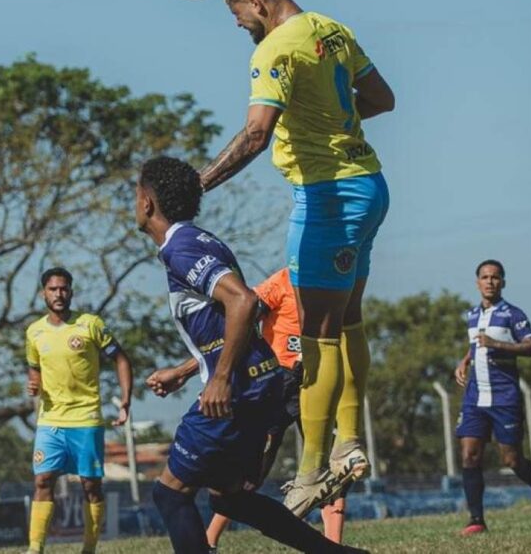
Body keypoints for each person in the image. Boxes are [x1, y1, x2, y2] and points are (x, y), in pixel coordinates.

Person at [197, 0, 395, 518]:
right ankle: (349, 441)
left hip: (327, 198)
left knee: (317, 336)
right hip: (370, 185)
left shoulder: (273, 49)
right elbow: (382, 99)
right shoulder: (332, 28)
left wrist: (199, 184)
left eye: (238, 15)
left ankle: (310, 472)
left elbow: (256, 133)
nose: (239, 26)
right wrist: (329, 122)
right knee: (349, 318)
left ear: (257, 3)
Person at [137, 156, 368, 554]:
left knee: (171, 495)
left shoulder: (182, 248)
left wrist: (220, 378)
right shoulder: (204, 240)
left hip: (237, 390)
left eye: (135, 193)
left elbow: (244, 302)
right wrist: (190, 368)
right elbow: (246, 310)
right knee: (230, 498)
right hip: (260, 381)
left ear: (147, 203)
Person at [205, 268, 350, 550]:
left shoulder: (335, 282)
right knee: (255, 462)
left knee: (331, 463)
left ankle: (335, 545)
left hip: (318, 380)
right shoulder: (281, 280)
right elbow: (246, 311)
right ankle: (209, 538)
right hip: (280, 380)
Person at [25, 267, 133, 554]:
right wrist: (34, 383)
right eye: (53, 289)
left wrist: (125, 402)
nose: (59, 294)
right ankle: (35, 549)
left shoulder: (90, 325)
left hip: (86, 419)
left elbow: (121, 359)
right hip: (50, 421)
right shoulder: (34, 332)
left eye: (64, 289)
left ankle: (88, 547)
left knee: (90, 486)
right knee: (42, 479)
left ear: (71, 292)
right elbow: (34, 368)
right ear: (43, 293)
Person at [454, 259, 531, 536]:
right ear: (477, 282)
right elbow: (475, 345)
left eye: (496, 277)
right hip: (475, 396)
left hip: (504, 396)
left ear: (503, 282)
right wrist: (464, 361)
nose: (490, 281)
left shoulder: (513, 314)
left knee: (512, 460)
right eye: (485, 277)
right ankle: (476, 519)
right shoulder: (472, 315)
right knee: (469, 455)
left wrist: (497, 344)